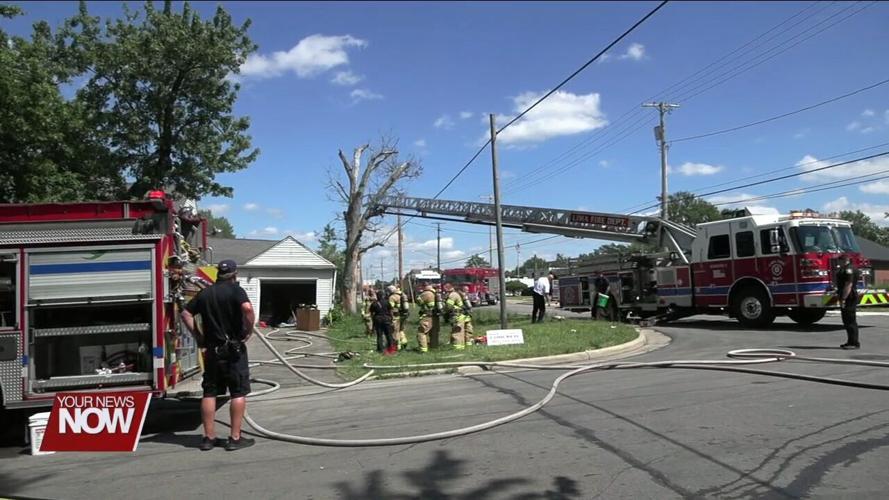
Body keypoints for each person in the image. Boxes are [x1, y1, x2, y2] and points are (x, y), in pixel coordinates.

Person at [181, 259, 256, 452]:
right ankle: (235, 438)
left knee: (210, 392)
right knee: (237, 392)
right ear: (234, 274)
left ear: (218, 274)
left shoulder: (205, 293)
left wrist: (198, 336)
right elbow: (247, 309)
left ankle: (208, 438)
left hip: (212, 351)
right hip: (233, 350)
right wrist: (249, 330)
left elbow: (186, 314)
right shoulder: (236, 290)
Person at [838, 256, 861, 349]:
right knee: (846, 320)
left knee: (850, 320)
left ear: (844, 260)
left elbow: (848, 284)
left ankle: (854, 343)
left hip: (849, 297)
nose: (838, 263)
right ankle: (850, 341)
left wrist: (844, 298)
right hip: (847, 296)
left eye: (839, 261)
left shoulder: (849, 270)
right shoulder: (845, 268)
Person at [370, 288, 397, 355]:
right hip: (386, 319)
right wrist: (391, 318)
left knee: (379, 335)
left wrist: (373, 320)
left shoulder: (374, 303)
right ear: (383, 295)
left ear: (377, 296)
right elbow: (391, 311)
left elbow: (372, 313)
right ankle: (391, 349)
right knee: (389, 334)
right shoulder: (387, 302)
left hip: (378, 319)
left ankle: (380, 349)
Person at [443, 282, 466, 349]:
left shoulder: (452, 295)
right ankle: (461, 346)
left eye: (445, 288)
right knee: (460, 331)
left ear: (448, 288)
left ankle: (457, 347)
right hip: (460, 315)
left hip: (456, 315)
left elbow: (449, 306)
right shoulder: (455, 294)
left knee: (456, 332)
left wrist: (443, 310)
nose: (444, 290)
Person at [416, 285, 439, 352]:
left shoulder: (426, 293)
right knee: (434, 333)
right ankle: (434, 347)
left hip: (427, 316)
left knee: (421, 332)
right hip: (435, 316)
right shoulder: (436, 294)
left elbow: (419, 302)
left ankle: (423, 349)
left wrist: (419, 295)